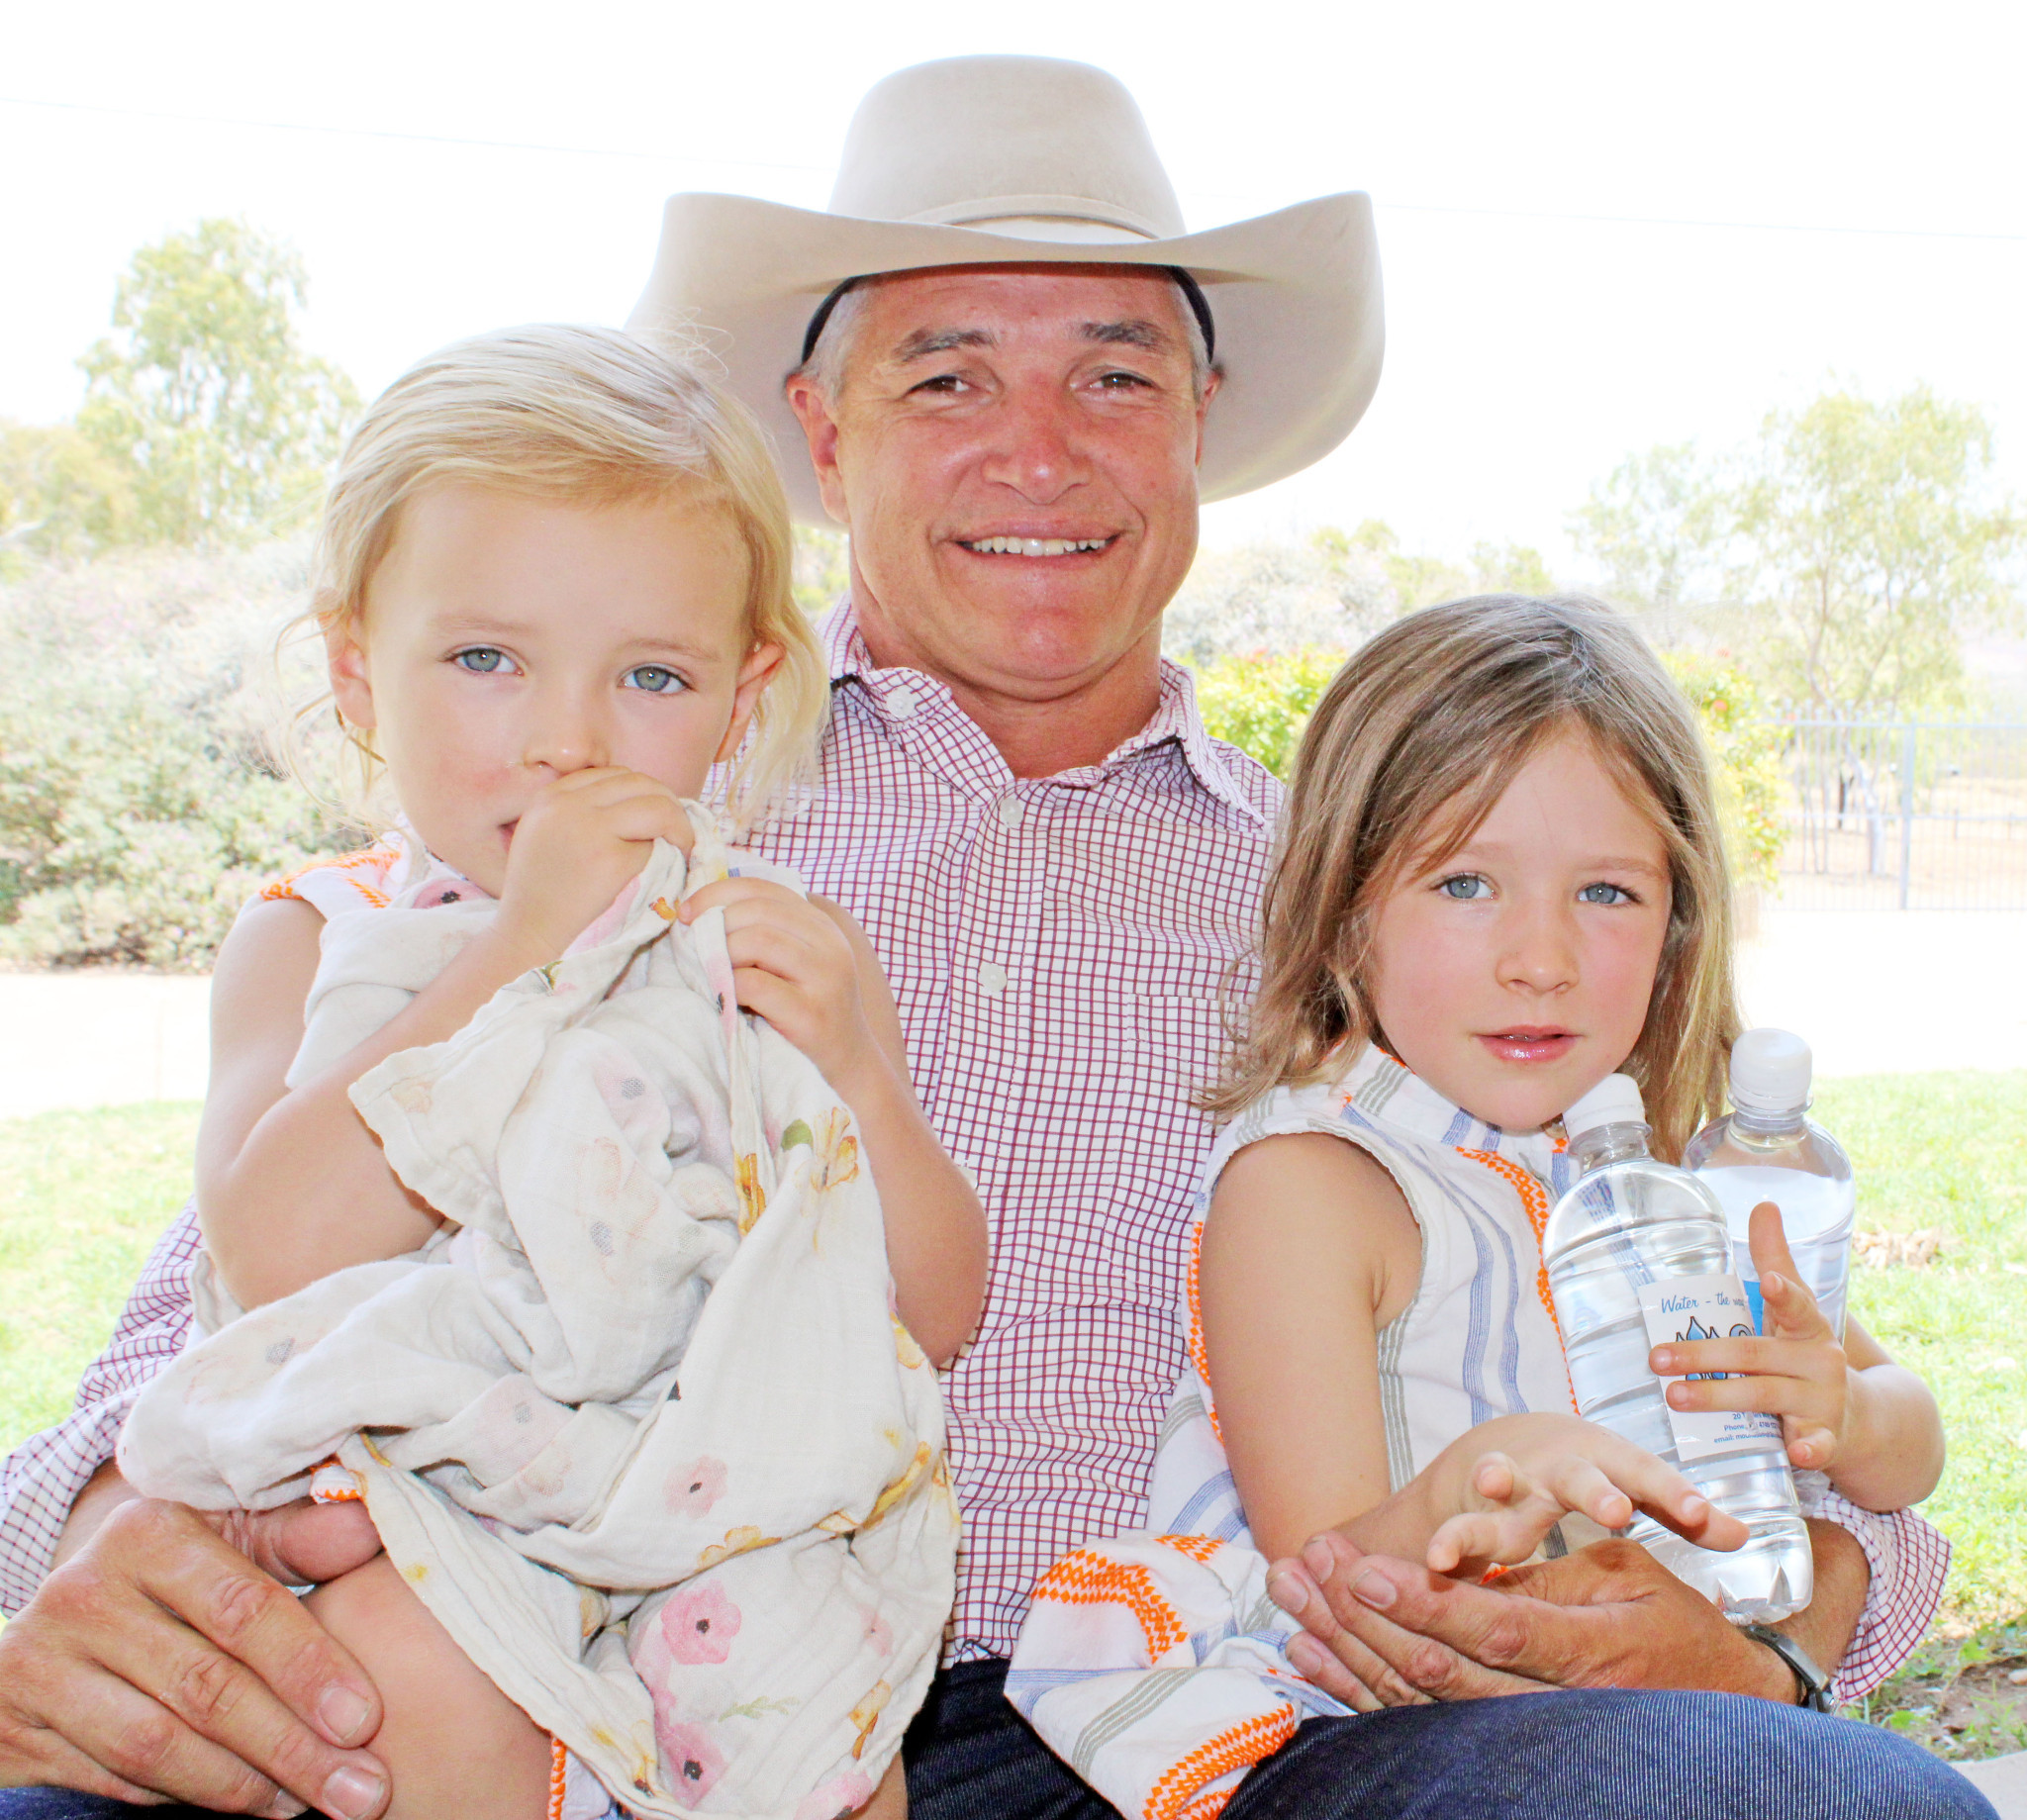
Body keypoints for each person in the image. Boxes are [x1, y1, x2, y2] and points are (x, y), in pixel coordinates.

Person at [0, 55, 1982, 1820]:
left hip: (1211, 1723)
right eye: (946, 372)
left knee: (1778, 1790)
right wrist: (94, 1532)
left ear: (1198, 421)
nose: (1037, 448)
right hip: (581, 1651)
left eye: (1113, 372)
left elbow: (1692, 1332)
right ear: (821, 427)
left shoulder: (1376, 900)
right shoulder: (629, 793)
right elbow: (243, 1278)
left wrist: (1758, 1624)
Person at [104, 322, 983, 1820]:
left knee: (834, 1745)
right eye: (486, 659)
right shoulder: (323, 938)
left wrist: (861, 1077)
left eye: (649, 673)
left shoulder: (775, 946)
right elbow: (273, 1247)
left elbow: (933, 1304)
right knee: (408, 1668)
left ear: (743, 689)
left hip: (720, 1524)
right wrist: (515, 948)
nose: (565, 741)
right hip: (415, 1516)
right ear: (356, 669)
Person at [1008, 594, 1953, 1819]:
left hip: (1651, 1699)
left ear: (1675, 929)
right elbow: (1326, 1579)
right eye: (1464, 883)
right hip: (1369, 1727)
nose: (1540, 957)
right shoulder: (1315, 1185)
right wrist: (1475, 1488)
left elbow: (1910, 1443)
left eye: (1605, 894)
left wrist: (1842, 1412)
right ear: (1347, 910)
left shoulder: (1678, 1185)